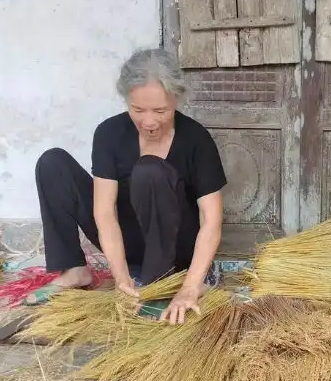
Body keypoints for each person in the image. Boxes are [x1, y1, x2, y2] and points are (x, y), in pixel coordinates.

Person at [26, 48, 227, 325]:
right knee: (53, 163)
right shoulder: (109, 134)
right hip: (128, 241)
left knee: (149, 170)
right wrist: (120, 280)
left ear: (176, 99)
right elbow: (105, 213)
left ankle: (157, 279)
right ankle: (75, 270)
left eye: (160, 111)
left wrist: (190, 288)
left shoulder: (196, 139)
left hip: (175, 245)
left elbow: (212, 221)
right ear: (126, 100)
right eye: (138, 110)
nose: (149, 122)